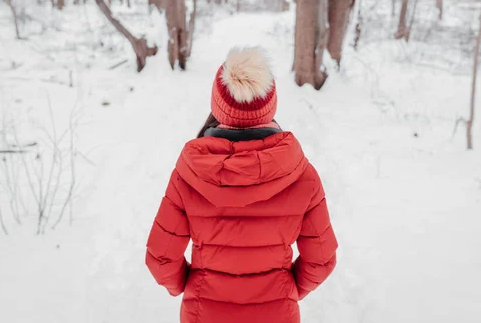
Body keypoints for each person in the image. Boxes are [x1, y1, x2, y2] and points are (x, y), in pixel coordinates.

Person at [145, 47, 338, 323]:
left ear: (218, 106)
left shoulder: (188, 174)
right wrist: (289, 290)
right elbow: (320, 260)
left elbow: (161, 259)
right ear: (269, 106)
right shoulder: (302, 174)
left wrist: (189, 285)